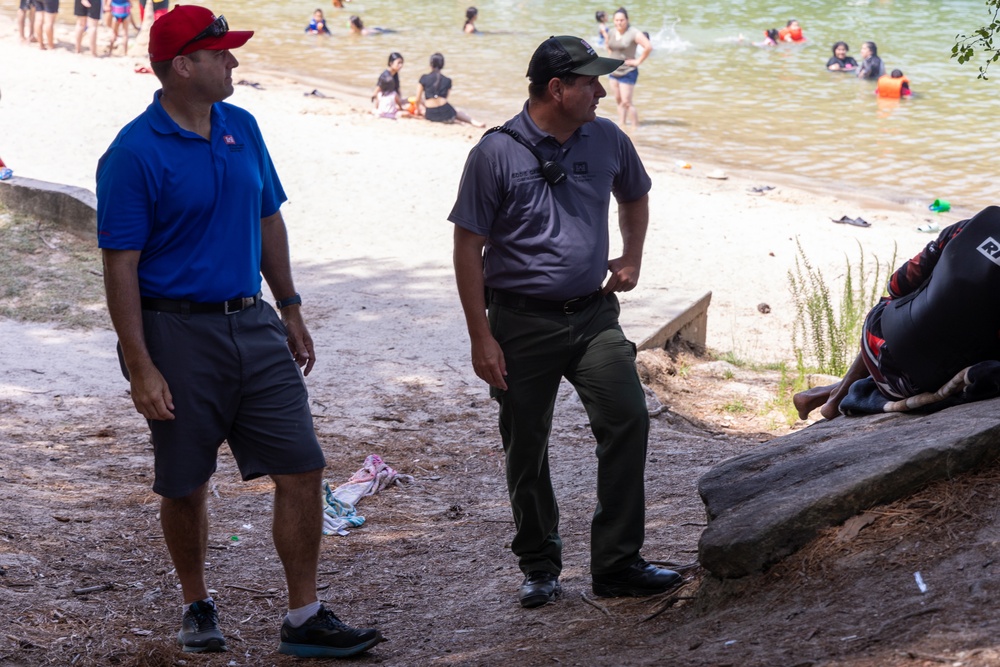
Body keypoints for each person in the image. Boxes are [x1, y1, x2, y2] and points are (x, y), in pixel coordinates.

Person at [95, 5, 384, 658]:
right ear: (182, 66)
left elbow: (268, 221)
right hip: (175, 333)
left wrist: (290, 306)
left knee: (303, 466)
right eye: (220, 52)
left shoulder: (243, 128)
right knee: (185, 480)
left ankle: (304, 615)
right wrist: (140, 363)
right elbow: (121, 265)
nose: (234, 60)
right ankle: (197, 602)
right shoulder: (133, 153)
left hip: (252, 321)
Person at [449, 34, 682, 610]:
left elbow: (636, 195)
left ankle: (618, 563)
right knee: (525, 446)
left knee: (627, 417)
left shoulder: (607, 137)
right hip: (519, 322)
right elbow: (467, 247)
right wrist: (482, 337)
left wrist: (632, 256)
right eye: (590, 82)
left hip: (593, 317)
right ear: (557, 88)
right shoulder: (494, 153)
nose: (602, 91)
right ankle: (539, 564)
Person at [793, 207, 1000, 421]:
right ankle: (836, 394)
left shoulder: (966, 228)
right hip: (924, 383)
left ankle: (837, 393)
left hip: (877, 346)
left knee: (900, 304)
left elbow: (897, 285)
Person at [606, 7, 652, 127]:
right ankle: (622, 125)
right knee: (619, 101)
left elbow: (648, 47)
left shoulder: (633, 33)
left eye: (621, 20)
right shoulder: (611, 32)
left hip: (628, 71)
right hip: (613, 71)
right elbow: (608, 45)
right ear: (613, 20)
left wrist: (638, 61)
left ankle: (635, 127)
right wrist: (611, 57)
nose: (619, 23)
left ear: (627, 20)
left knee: (626, 102)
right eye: (616, 20)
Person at [415, 52, 485, 127]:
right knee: (457, 112)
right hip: (446, 114)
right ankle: (474, 122)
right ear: (442, 65)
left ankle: (466, 121)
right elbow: (445, 98)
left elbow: (417, 99)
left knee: (425, 105)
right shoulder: (448, 80)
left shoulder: (424, 78)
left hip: (431, 115)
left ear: (431, 64)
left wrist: (418, 110)